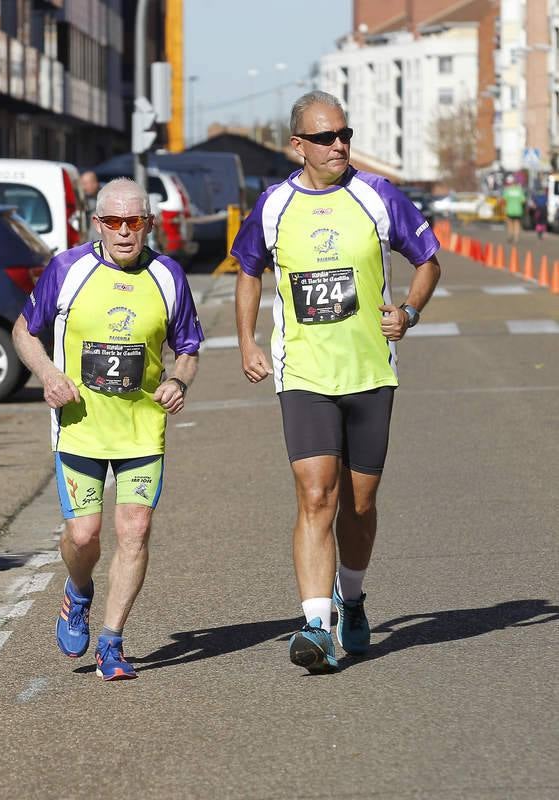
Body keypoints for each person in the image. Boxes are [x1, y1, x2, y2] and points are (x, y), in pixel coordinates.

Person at [232, 91, 441, 673]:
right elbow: (248, 270)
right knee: (316, 494)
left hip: (371, 370)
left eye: (344, 134)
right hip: (303, 373)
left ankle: (353, 596)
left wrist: (410, 312)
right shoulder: (273, 206)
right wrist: (248, 340)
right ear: (297, 145)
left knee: (360, 503)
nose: (338, 145)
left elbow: (428, 259)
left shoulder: (377, 196)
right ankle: (316, 626)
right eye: (325, 138)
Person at [12, 178, 204, 681]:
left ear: (148, 224)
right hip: (79, 427)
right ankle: (78, 591)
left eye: (134, 222)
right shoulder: (67, 269)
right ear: (97, 223)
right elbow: (23, 331)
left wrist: (180, 381)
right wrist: (49, 376)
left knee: (135, 529)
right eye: (114, 222)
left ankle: (113, 643)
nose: (124, 232)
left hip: (142, 428)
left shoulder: (167, 275)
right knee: (84, 534)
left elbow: (187, 348)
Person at [502, 175, 526, 244]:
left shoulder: (507, 190)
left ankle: (510, 235)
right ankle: (516, 238)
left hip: (509, 209)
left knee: (510, 224)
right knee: (517, 224)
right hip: (518, 210)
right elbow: (523, 201)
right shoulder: (519, 190)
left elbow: (504, 200)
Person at [80, 170, 101, 240]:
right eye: (82, 184)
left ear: (94, 183)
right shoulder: (82, 200)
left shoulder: (105, 200)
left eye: (85, 183)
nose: (83, 187)